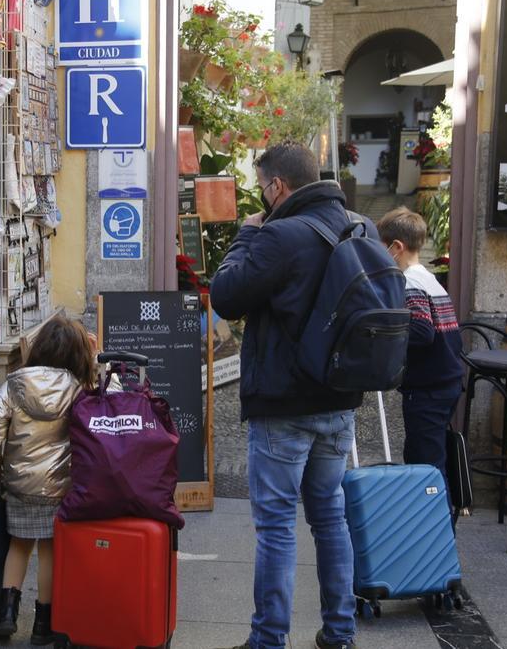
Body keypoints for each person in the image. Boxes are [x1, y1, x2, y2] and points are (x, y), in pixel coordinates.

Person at [210, 142, 367, 649]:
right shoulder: (357, 226)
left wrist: (246, 234)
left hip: (283, 406)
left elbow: (226, 294)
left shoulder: (279, 234)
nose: (262, 196)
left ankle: (269, 640)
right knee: (330, 519)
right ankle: (340, 632)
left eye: (262, 187)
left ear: (277, 186)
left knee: (276, 526)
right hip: (340, 401)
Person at [0, 316, 98, 645]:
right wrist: (96, 358)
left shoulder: (15, 383)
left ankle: (6, 614)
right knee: (49, 551)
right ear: (77, 353)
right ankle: (43, 624)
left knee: (18, 545)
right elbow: (104, 405)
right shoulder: (77, 388)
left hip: (18, 484)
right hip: (60, 486)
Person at [377, 207, 464, 478]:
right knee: (432, 456)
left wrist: (382, 332)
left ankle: (434, 517)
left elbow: (422, 331)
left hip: (427, 389)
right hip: (446, 383)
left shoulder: (408, 282)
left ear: (396, 247)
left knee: (424, 465)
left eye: (381, 248)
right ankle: (440, 513)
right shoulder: (429, 279)